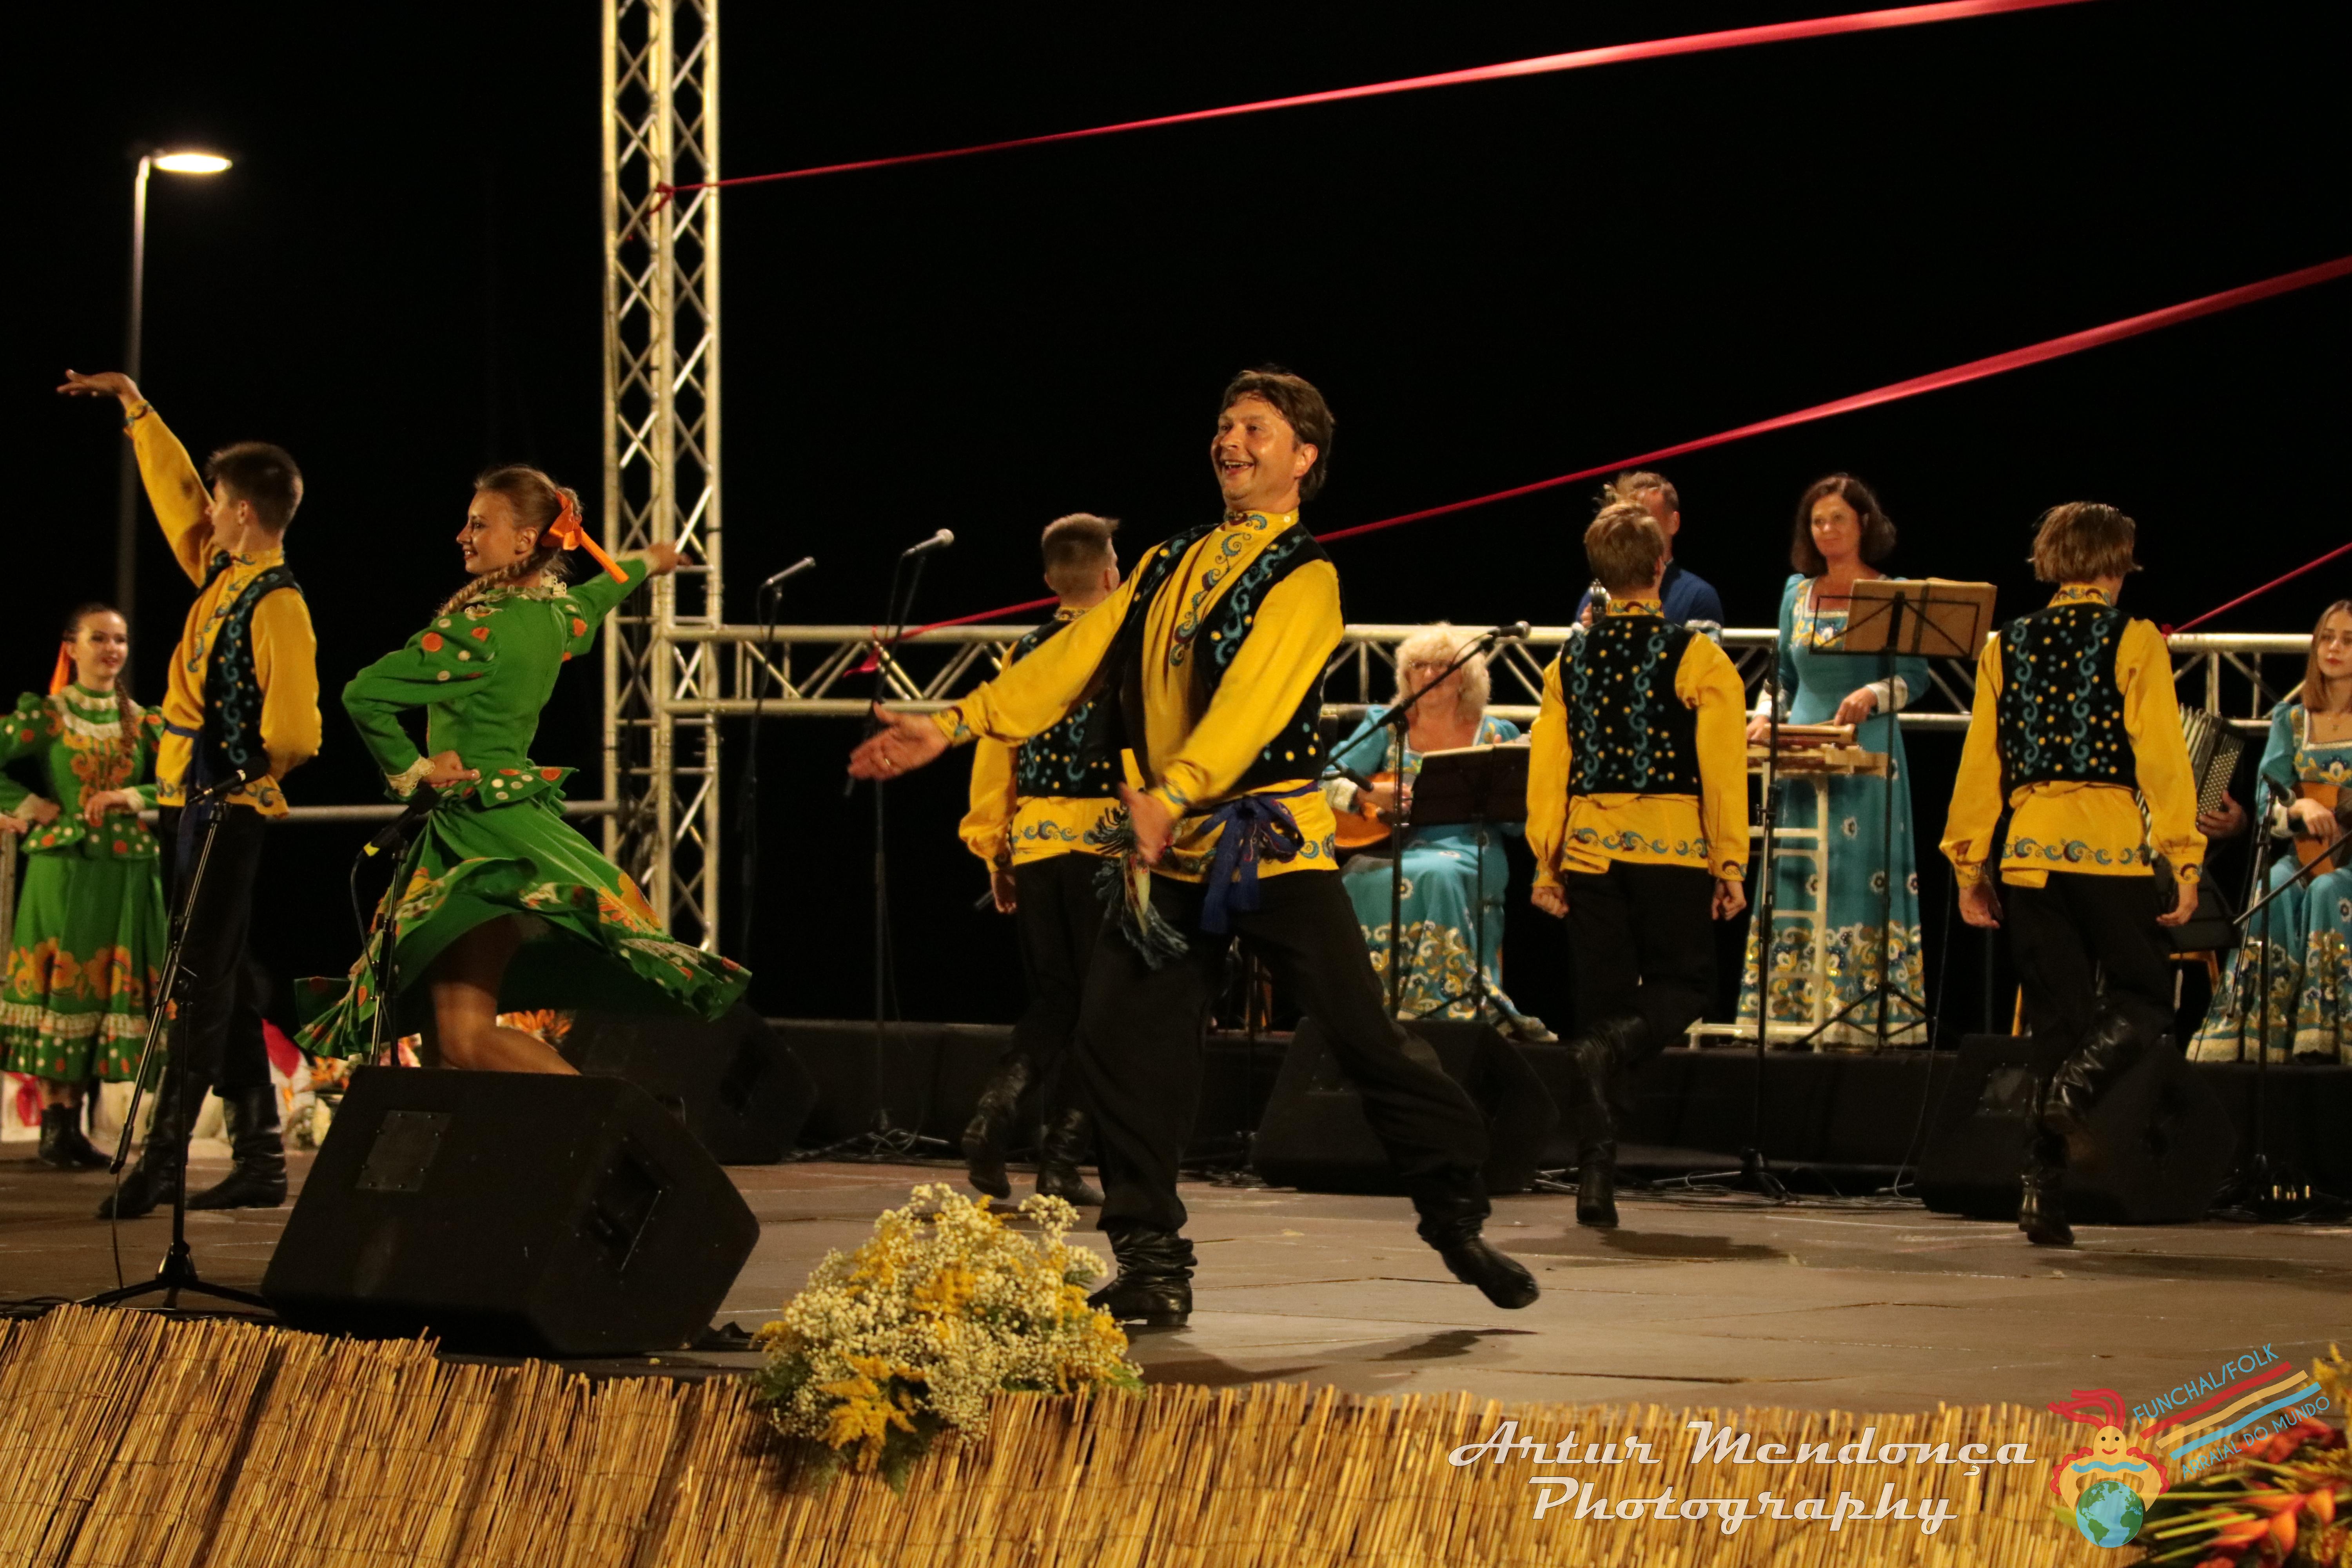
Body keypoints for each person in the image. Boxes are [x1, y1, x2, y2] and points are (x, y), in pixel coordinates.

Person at [851, 367, 1537, 1327]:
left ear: (1303, 456)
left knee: (1364, 1037)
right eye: (1224, 424)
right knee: (1117, 1038)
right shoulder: (1170, 559)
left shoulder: (1305, 574)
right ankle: (1151, 1259)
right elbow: (1075, 656)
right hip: (1171, 855)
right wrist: (956, 723)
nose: (1231, 440)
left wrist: (1173, 790)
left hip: (1270, 846)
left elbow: (1254, 700)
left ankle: (1455, 1216)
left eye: (1256, 427)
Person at [298, 467, 748, 1067]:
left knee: (463, 1039)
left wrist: (415, 769)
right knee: (444, 1045)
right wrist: (649, 561)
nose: (463, 535)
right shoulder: (555, 617)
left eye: (479, 524)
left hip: (481, 838)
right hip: (506, 822)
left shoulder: (480, 631)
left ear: (525, 540)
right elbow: (598, 595)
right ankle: (546, 1127)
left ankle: (605, 1121)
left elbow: (363, 694)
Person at [60, 370, 322, 1218]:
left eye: (218, 500)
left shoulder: (277, 603)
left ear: (242, 510)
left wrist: (245, 773)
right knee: (223, 973)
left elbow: (298, 730)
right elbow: (178, 502)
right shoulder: (224, 574)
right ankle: (261, 1155)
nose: (205, 511)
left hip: (226, 808)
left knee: (197, 981)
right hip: (192, 802)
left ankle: (165, 1158)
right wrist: (138, 410)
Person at [1942, 502, 2203, 1248]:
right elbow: (2163, 757)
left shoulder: (2008, 645)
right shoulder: (2134, 639)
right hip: (2105, 846)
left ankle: (2041, 1194)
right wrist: (2183, 856)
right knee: (2145, 994)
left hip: (2029, 851)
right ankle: (2073, 1091)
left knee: (2056, 1021)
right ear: (2118, 562)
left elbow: (1981, 762)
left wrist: (1969, 864)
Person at [1527, 502, 1749, 1227]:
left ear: (1598, 575)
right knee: (1688, 985)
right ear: (1660, 567)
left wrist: (1547, 863)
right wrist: (1730, 861)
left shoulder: (1569, 661)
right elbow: (1723, 771)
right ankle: (1603, 1050)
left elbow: (1549, 770)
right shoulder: (1698, 657)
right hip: (1669, 845)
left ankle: (1596, 1177)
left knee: (1604, 1000)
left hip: (1591, 849)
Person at [956, 512, 1122, 1207]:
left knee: (1057, 997)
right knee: (1104, 1007)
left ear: (1051, 580)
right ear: (1110, 575)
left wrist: (995, 852)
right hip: (1105, 843)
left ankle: (995, 1109)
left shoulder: (1022, 652)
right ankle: (1059, 1162)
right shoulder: (1121, 647)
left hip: (1036, 842)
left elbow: (996, 754)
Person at [1736, 474, 1932, 1049]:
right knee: (1797, 873)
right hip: (1804, 751)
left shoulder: (1893, 592)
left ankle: (1859, 1018)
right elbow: (1783, 678)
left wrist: (1873, 694)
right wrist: (1766, 715)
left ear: (1863, 523)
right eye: (1818, 521)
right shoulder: (1796, 593)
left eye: (1838, 519)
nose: (1826, 530)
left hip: (1868, 751)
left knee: (1854, 874)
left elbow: (1916, 678)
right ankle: (1791, 1013)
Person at [0, 606, 169, 1169]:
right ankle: (56, 1127)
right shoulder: (49, 715)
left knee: (101, 994)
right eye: (99, 638)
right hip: (65, 869)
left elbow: (184, 777)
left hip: (124, 870)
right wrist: (28, 804)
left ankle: (72, 1127)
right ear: (71, 647)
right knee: (63, 989)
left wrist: (130, 796)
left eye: (120, 639)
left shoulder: (141, 720)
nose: (111, 649)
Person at [1324, 624, 1550, 1039]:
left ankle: (1445, 1006)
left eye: (1442, 665)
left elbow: (1520, 823)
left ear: (1466, 677)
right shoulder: (1388, 726)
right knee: (1353, 877)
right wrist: (1368, 794)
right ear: (1405, 676)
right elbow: (1321, 780)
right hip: (1396, 849)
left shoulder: (1497, 734)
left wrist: (1508, 788)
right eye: (1418, 665)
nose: (1428, 674)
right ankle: (1368, 1007)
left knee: (1438, 875)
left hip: (1470, 850)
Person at [2187, 599, 2352, 1063]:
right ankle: (2261, 1033)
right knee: (2274, 885)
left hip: (2349, 869)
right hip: (2304, 858)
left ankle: (2327, 1032)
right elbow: (2266, 801)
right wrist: (2299, 805)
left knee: (2328, 891)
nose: (2334, 648)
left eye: (2348, 640)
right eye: (2327, 637)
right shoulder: (2292, 720)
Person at [1572, 472, 1725, 636]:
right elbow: (1570, 652)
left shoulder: (1699, 596)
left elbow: (1699, 653)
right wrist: (1592, 635)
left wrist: (1606, 631)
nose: (1637, 530)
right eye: (1628, 521)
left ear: (1674, 522)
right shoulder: (1598, 595)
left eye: (1648, 521)